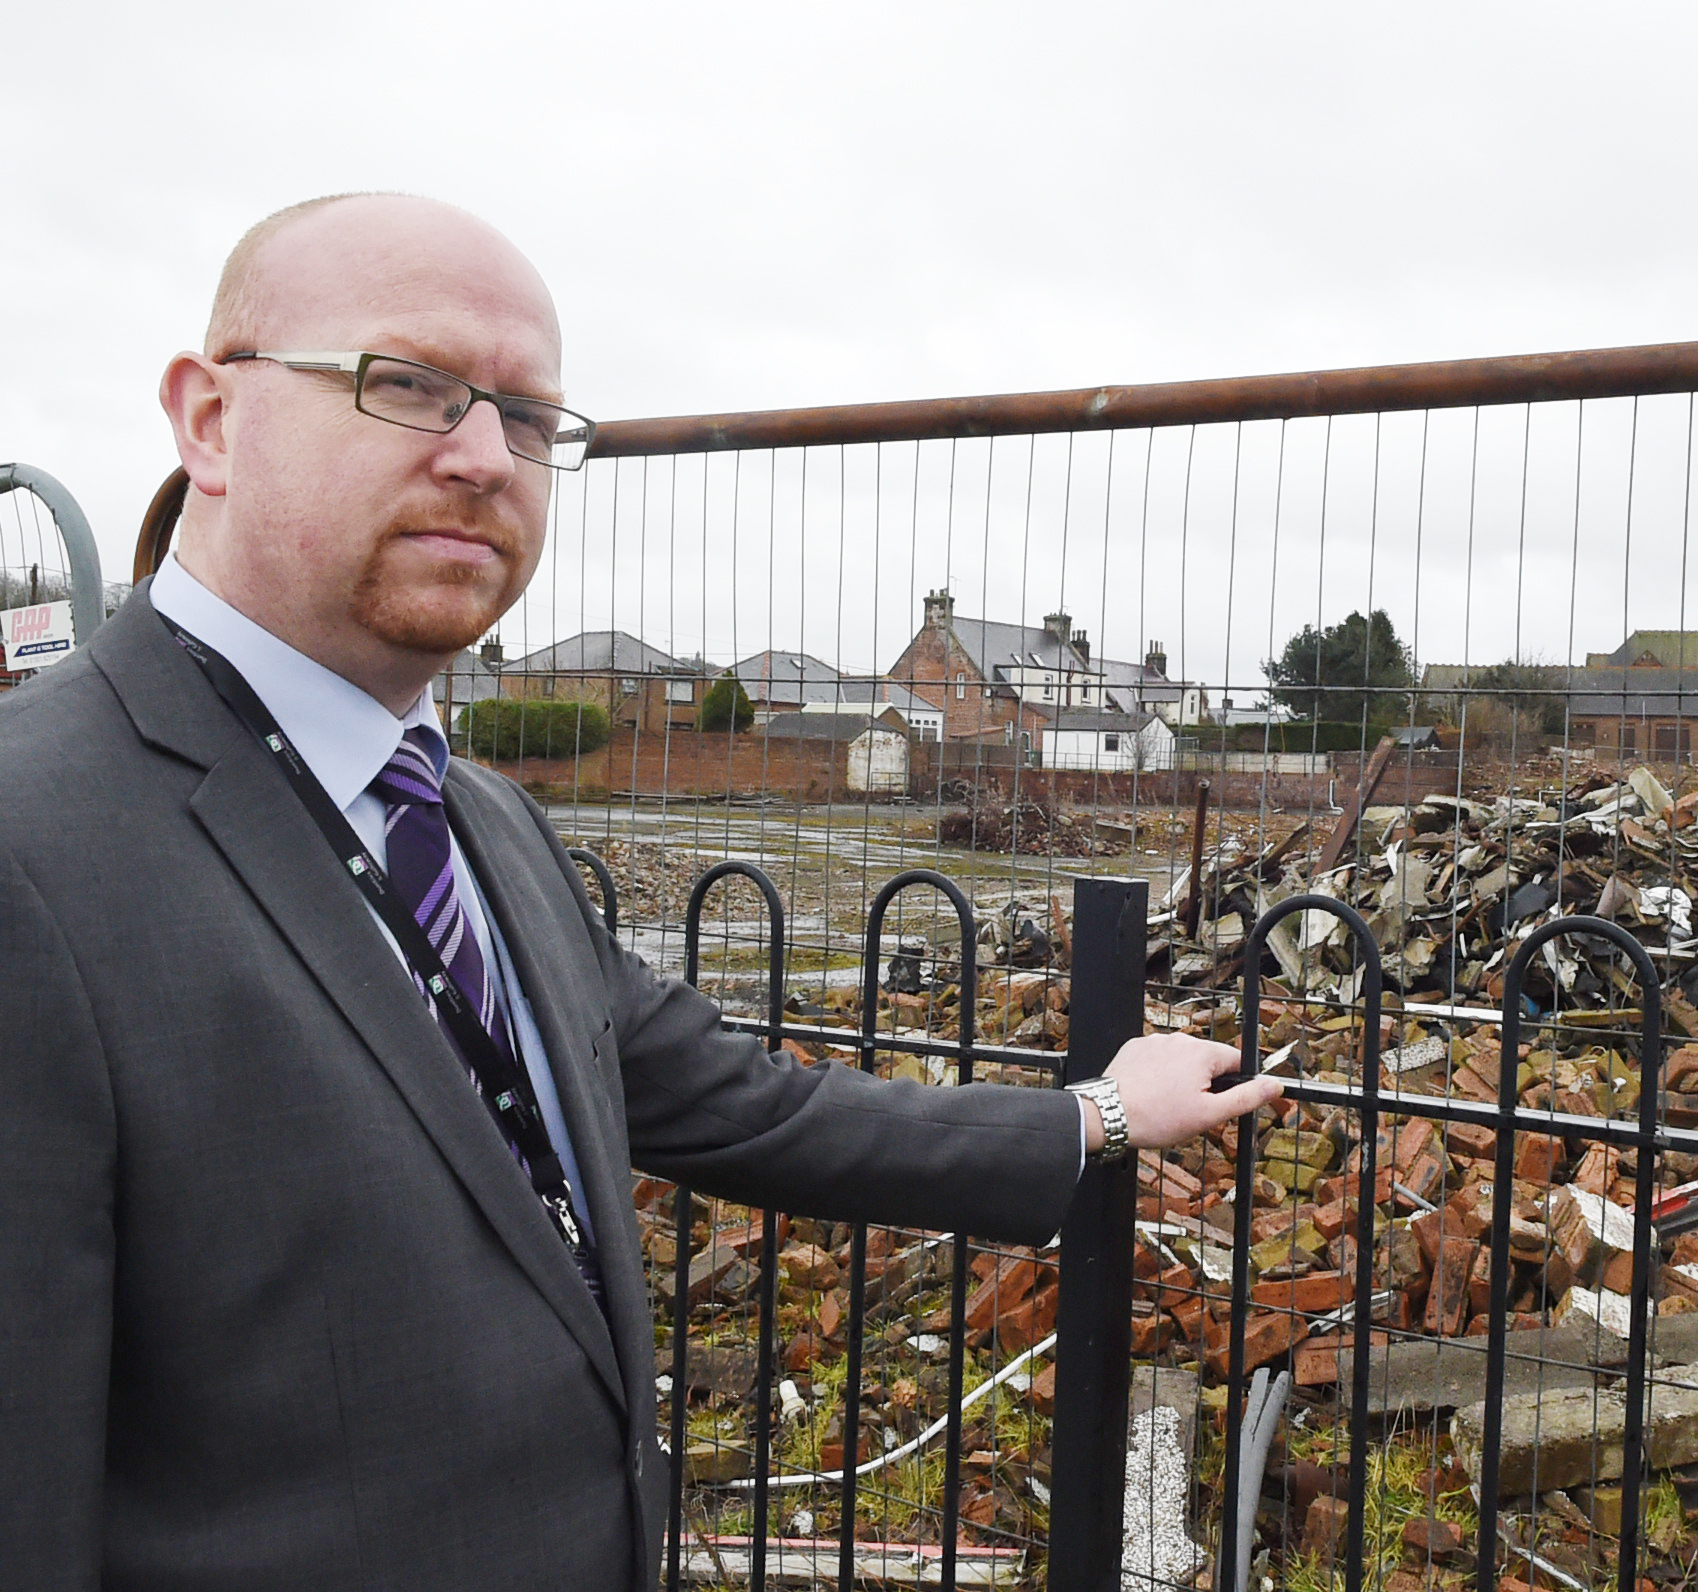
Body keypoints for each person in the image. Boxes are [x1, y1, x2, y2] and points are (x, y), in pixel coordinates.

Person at [0, 192, 1279, 1592]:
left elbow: (755, 1108)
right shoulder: (35, 843)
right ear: (209, 420)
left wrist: (1098, 1112)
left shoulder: (479, 821)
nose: (486, 456)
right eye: (411, 385)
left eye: (532, 417)